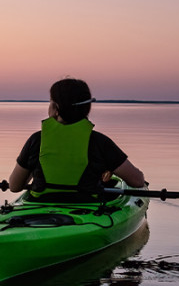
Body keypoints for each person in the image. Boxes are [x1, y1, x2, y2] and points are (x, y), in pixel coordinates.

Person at [8, 78, 146, 198]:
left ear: (56, 108)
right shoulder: (99, 141)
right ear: (87, 108)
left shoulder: (36, 140)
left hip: (40, 205)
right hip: (87, 207)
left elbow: (14, 186)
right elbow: (137, 181)